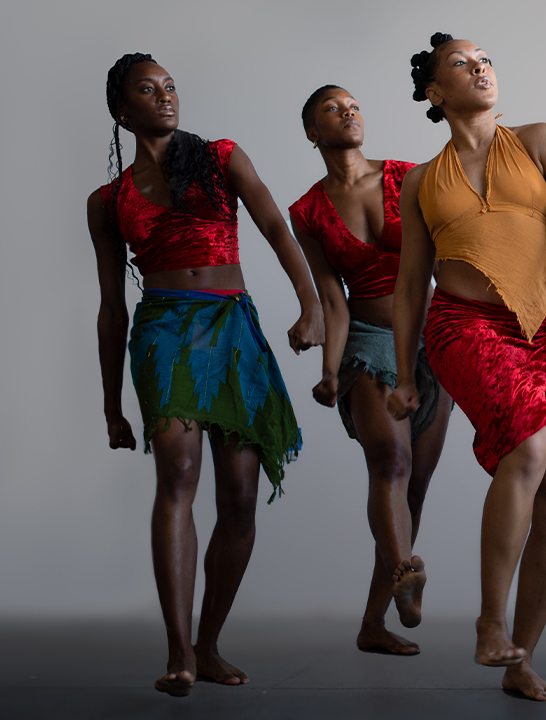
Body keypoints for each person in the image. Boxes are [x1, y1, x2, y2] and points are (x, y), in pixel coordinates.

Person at [87, 53, 324, 697]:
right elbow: (112, 306)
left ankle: (209, 641)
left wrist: (313, 307)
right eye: (147, 89)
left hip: (233, 331)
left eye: (170, 86)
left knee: (241, 497)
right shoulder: (107, 200)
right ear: (122, 110)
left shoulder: (220, 156)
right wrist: (111, 405)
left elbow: (276, 226)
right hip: (164, 334)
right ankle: (178, 652)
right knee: (179, 478)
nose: (165, 96)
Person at [388, 32, 546, 701]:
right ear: (436, 92)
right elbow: (409, 285)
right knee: (530, 451)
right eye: (463, 63)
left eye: (486, 60)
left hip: (541, 327)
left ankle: (520, 658)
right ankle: (489, 620)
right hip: (461, 326)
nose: (481, 68)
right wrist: (402, 374)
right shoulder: (422, 180)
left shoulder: (539, 139)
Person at [289, 84, 454, 655]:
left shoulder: (409, 176)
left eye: (354, 105)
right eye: (333, 109)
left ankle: (372, 624)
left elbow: (453, 249)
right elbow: (331, 300)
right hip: (366, 341)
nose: (349, 112)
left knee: (416, 489)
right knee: (392, 460)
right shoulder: (306, 211)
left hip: (432, 342)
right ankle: (407, 573)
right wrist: (332, 371)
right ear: (312, 132)